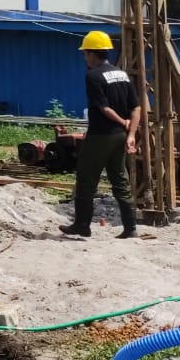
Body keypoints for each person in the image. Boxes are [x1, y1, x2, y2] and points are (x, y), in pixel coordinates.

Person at [62, 30, 141, 239]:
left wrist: (121, 121)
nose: (84, 57)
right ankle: (131, 228)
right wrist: (130, 132)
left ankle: (81, 225)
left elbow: (103, 108)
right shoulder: (122, 74)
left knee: (86, 179)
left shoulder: (93, 76)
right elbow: (136, 107)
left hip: (101, 135)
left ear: (91, 53)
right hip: (120, 136)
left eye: (85, 53)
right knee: (120, 180)